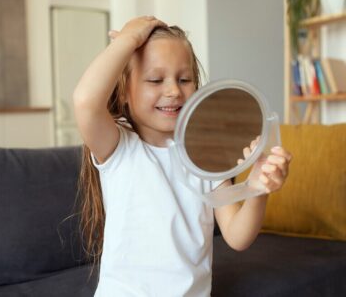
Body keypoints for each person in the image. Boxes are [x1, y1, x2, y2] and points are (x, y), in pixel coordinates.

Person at [73, 16, 292, 296]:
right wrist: (129, 40)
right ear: (125, 91)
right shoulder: (118, 147)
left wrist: (258, 188)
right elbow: (85, 101)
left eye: (184, 79)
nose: (174, 90)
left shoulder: (207, 154)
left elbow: (238, 236)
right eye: (155, 79)